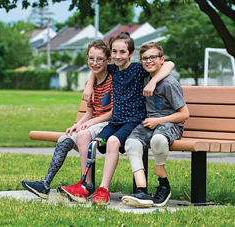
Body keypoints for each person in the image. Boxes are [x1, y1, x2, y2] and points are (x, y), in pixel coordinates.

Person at [59, 32, 175, 205]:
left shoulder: (137, 68)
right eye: (114, 52)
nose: (117, 56)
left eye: (122, 52)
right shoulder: (113, 68)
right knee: (93, 142)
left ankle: (103, 190)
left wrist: (152, 82)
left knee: (113, 142)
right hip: (115, 122)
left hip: (133, 121)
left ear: (131, 53)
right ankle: (85, 185)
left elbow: (169, 64)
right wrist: (90, 85)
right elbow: (96, 69)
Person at [22, 40, 113, 199]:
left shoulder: (113, 80)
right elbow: (89, 112)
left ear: (108, 61)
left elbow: (114, 112)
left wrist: (89, 123)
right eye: (91, 59)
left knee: (85, 134)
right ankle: (45, 184)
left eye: (99, 59)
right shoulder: (89, 84)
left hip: (107, 124)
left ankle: (86, 185)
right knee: (65, 139)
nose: (95, 63)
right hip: (92, 123)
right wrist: (77, 125)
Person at [121, 42, 189, 208]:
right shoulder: (144, 77)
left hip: (170, 124)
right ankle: (141, 190)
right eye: (145, 58)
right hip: (150, 122)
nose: (149, 61)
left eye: (153, 57)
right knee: (131, 143)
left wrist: (158, 121)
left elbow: (184, 114)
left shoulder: (169, 84)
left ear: (161, 59)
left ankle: (163, 183)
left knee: (158, 140)